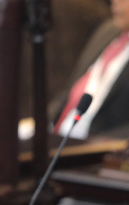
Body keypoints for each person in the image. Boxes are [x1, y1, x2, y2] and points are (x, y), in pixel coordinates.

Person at [50, 0, 129, 138]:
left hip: (96, 149)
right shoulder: (107, 31)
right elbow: (71, 90)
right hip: (57, 134)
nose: (115, 2)